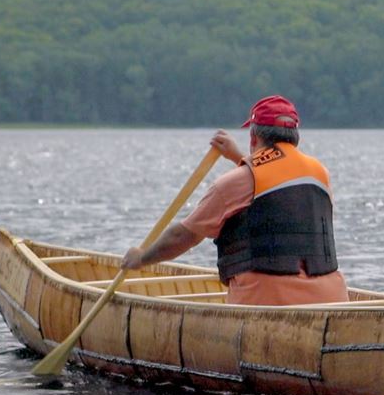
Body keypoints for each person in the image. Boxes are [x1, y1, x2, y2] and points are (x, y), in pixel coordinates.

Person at [120, 95, 348, 306]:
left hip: (267, 302)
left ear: (254, 136)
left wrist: (141, 258)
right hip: (332, 301)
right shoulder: (321, 175)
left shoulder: (231, 184)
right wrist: (237, 157)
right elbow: (274, 188)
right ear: (295, 137)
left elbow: (183, 236)